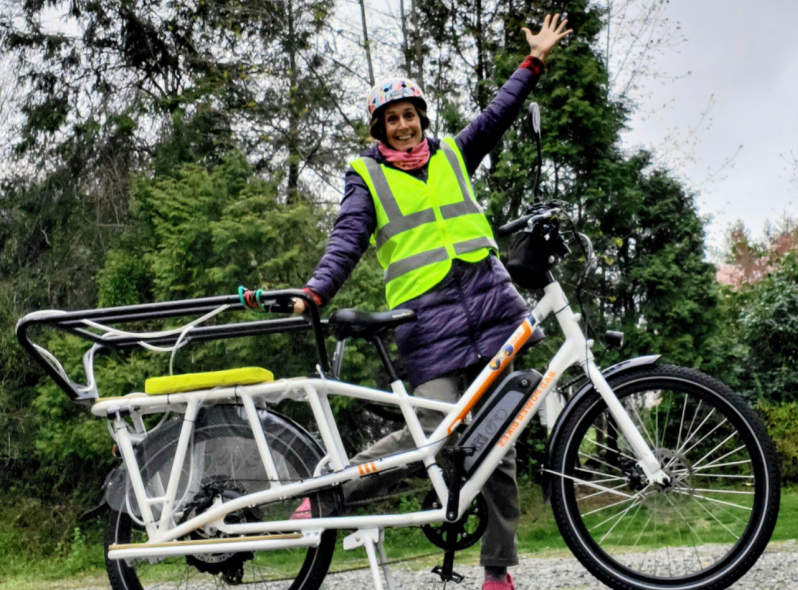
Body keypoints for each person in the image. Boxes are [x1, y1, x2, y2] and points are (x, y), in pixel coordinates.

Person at [294, 14, 571, 590]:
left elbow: (498, 117)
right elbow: (346, 241)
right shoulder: (365, 178)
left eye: (409, 115)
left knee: (500, 442)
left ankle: (498, 570)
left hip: (492, 311)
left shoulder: (451, 155)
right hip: (428, 327)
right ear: (379, 127)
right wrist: (316, 290)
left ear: (422, 118)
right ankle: (329, 495)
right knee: (430, 434)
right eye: (391, 119)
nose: (403, 125)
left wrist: (534, 60)